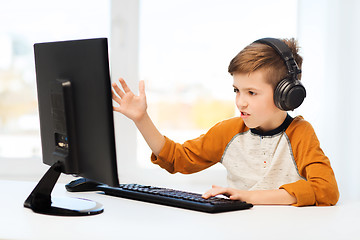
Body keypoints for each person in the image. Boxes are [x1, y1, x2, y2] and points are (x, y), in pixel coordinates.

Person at [111, 37, 339, 206]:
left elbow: (326, 190)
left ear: (286, 95)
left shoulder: (300, 133)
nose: (241, 102)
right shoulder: (230, 131)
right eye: (236, 91)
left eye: (252, 93)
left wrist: (250, 197)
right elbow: (178, 159)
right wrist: (141, 119)